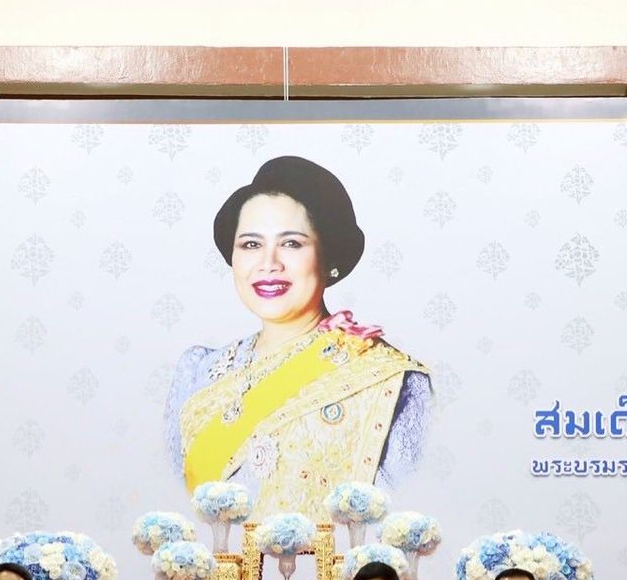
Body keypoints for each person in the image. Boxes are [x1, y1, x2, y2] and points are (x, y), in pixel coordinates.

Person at [168, 154, 431, 517]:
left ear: (328, 256)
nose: (269, 264)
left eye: (291, 243)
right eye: (251, 244)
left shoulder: (387, 378)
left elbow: (401, 510)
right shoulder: (197, 371)